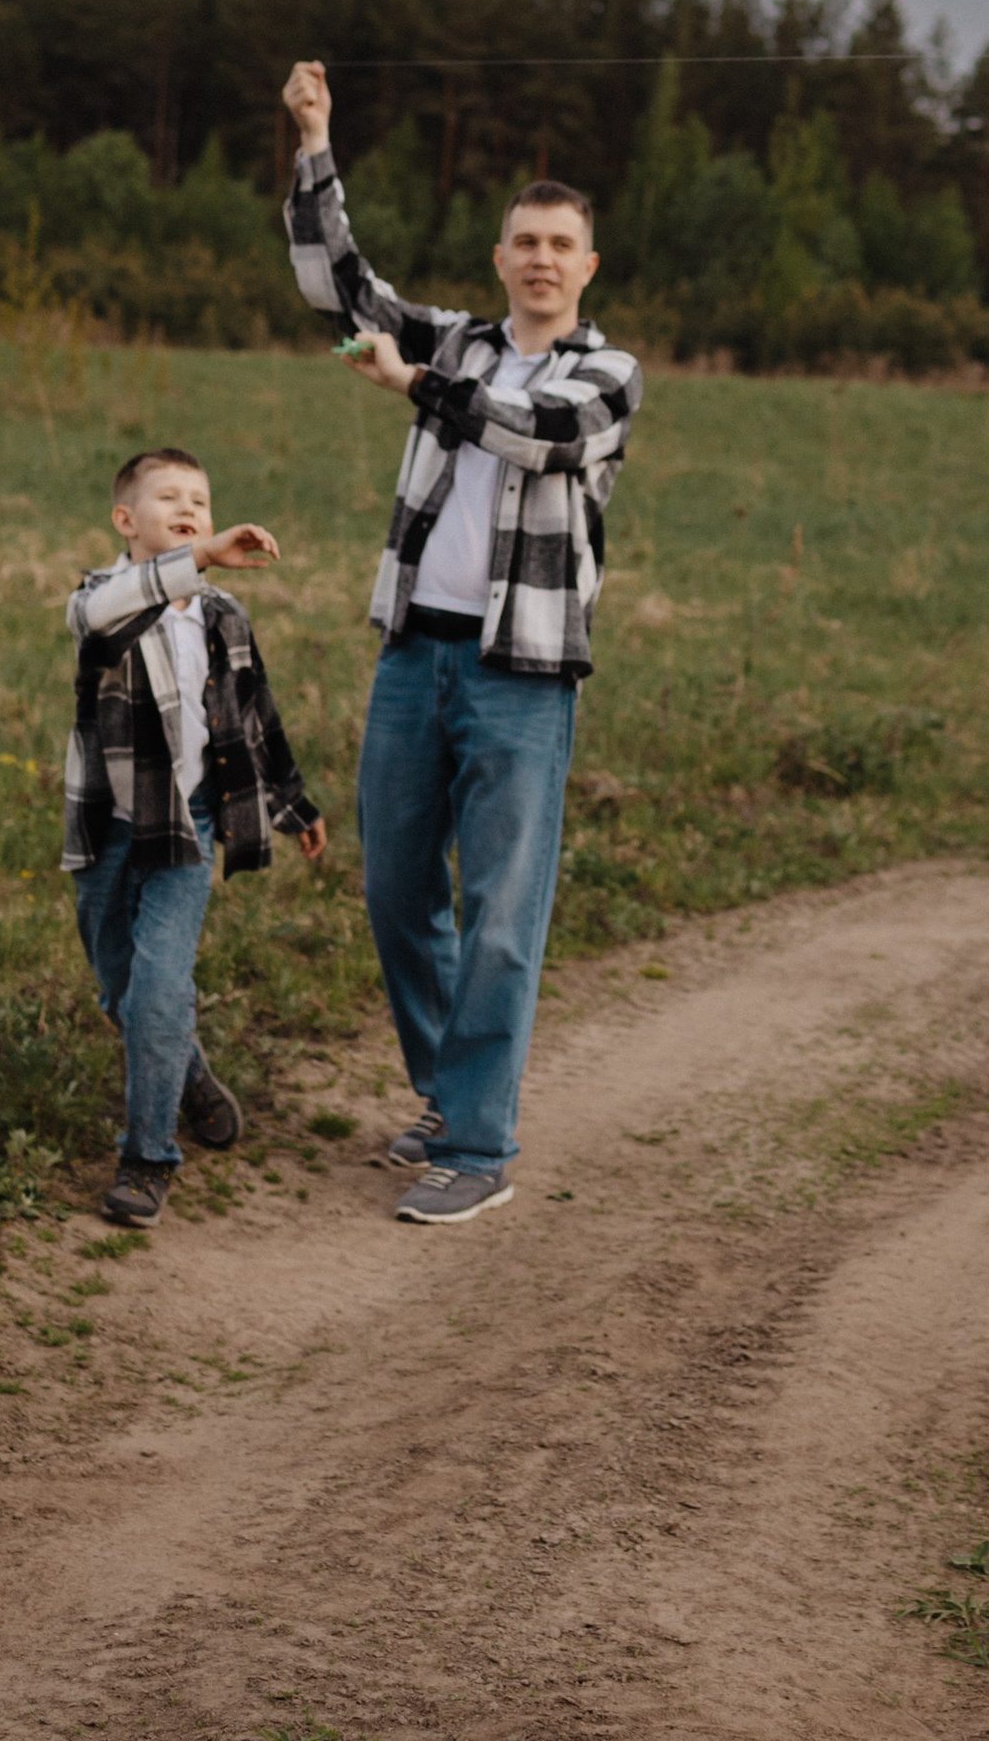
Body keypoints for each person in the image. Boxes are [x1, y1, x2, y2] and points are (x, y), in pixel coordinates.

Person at [279, 62, 642, 1226]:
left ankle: (480, 1143)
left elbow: (535, 435)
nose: (539, 258)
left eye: (560, 244)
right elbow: (341, 294)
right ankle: (447, 1091)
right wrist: (315, 141)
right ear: (500, 257)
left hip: (520, 671)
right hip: (413, 655)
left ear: (586, 266)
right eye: (522, 240)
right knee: (395, 889)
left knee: (498, 905)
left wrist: (417, 386)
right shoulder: (460, 342)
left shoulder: (605, 376)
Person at [63, 447, 329, 1230]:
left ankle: (148, 1157)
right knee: (121, 989)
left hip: (190, 828)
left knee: (158, 991)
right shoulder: (100, 599)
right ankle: (187, 1072)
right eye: (169, 497)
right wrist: (201, 557)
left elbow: (256, 716)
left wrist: (293, 800)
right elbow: (105, 614)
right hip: (109, 826)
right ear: (125, 521)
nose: (189, 509)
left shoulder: (224, 617)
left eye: (201, 502)